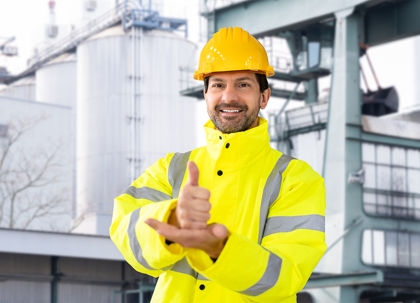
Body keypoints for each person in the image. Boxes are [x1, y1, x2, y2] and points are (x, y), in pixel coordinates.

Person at [110, 27, 326, 303]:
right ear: (206, 94)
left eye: (243, 84)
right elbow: (125, 233)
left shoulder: (295, 179)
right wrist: (173, 218)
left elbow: (285, 274)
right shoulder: (172, 168)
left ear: (264, 97)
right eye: (218, 85)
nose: (229, 97)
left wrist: (218, 250)